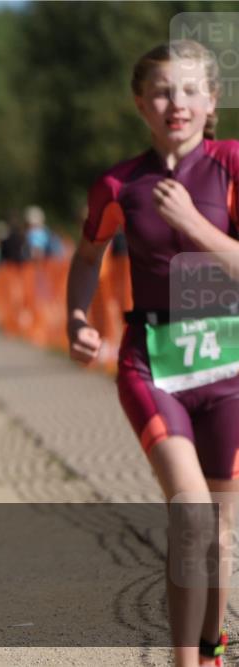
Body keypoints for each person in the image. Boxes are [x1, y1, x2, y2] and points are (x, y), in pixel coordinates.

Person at [66, 40, 239, 667]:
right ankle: (183, 661)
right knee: (192, 514)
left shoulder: (230, 165)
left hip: (230, 369)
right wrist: (77, 317)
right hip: (153, 362)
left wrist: (194, 225)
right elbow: (89, 256)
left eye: (192, 90)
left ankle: (211, 648)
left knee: (218, 532)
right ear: (141, 102)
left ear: (212, 100)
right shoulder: (119, 183)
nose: (178, 103)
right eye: (163, 91)